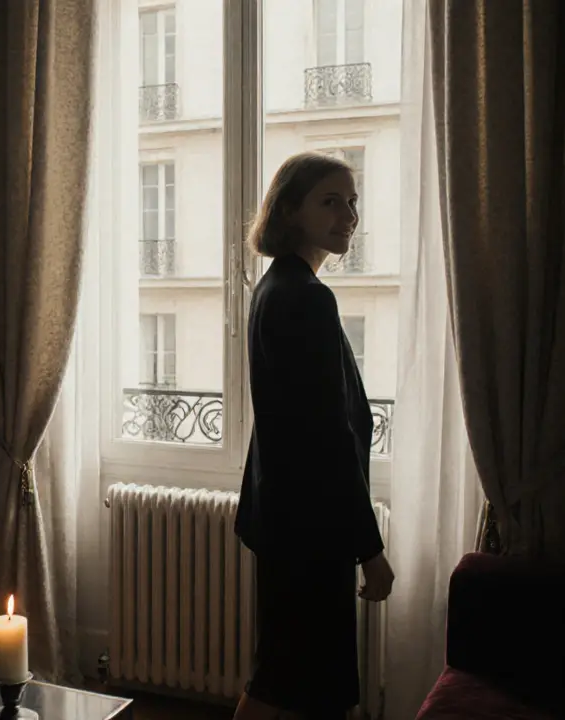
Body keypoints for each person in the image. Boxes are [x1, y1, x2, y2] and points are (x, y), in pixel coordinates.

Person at [233, 152, 395, 720]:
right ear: (290, 210)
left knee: (282, 677)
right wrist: (370, 550)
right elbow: (328, 436)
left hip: (291, 519)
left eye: (352, 202)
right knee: (301, 684)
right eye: (331, 201)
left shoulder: (277, 287)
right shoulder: (304, 297)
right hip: (308, 528)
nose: (348, 214)